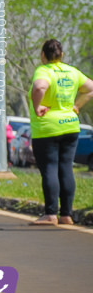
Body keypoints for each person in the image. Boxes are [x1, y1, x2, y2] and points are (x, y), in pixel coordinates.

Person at [28, 39, 93, 225]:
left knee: (49, 168)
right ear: (61, 55)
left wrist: (37, 105)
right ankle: (66, 214)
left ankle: (50, 214)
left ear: (43, 55)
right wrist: (77, 105)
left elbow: (39, 86)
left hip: (47, 127)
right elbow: (91, 88)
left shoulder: (44, 70)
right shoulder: (72, 71)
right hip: (71, 126)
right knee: (66, 168)